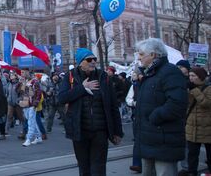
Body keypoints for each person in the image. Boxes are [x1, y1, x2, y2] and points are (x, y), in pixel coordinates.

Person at [57, 48, 123, 176]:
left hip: (100, 131)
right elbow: (61, 98)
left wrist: (117, 131)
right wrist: (83, 88)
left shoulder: (103, 77)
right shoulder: (70, 76)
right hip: (80, 130)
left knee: (98, 169)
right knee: (84, 168)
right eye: (89, 59)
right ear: (80, 62)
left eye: (94, 59)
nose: (93, 62)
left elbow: (113, 106)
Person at [133, 38, 187, 176]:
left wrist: (155, 117)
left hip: (164, 140)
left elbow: (177, 104)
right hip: (149, 139)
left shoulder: (170, 72)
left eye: (141, 54)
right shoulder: (149, 74)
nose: (138, 57)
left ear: (153, 55)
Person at [180, 67, 211, 176]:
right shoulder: (191, 88)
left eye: (194, 76)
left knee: (209, 154)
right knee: (192, 155)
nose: (191, 78)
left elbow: (205, 103)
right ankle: (191, 172)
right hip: (192, 127)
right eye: (190, 76)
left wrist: (194, 90)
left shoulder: (208, 88)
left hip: (207, 128)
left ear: (201, 77)